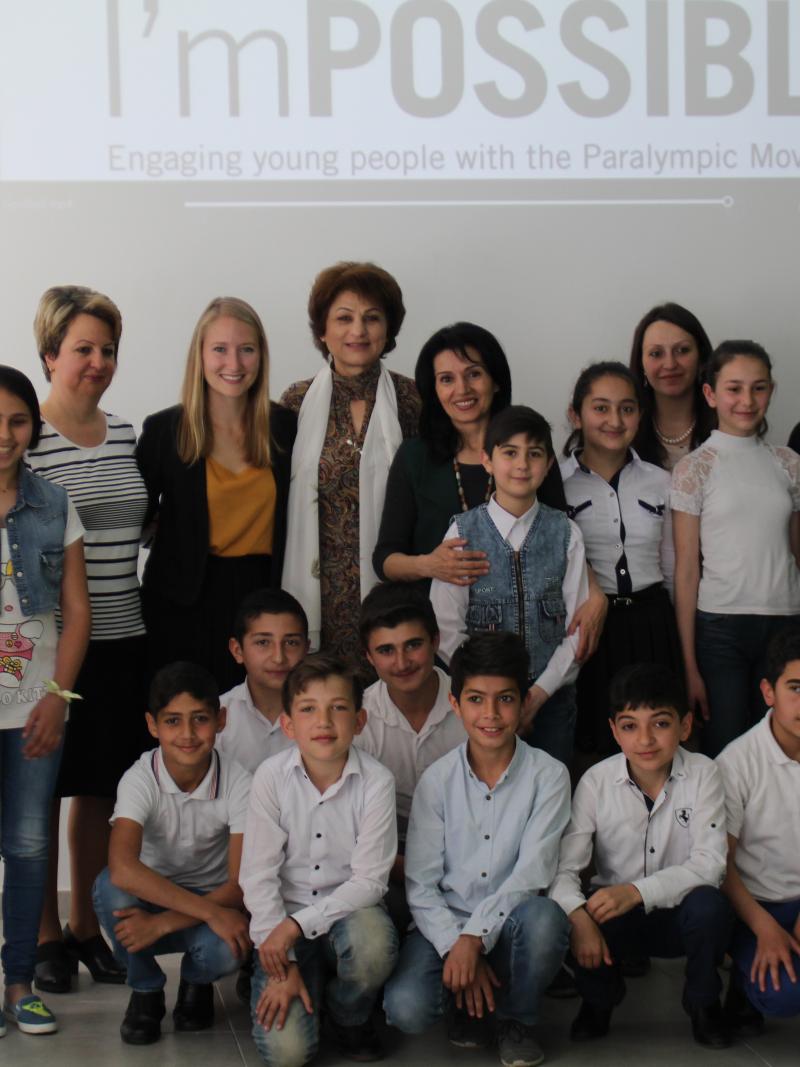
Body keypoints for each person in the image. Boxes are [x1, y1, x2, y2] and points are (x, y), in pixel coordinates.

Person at [28, 284, 150, 994]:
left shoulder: (127, 432)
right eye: (82, 349)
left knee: (100, 790)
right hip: (51, 647)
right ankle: (45, 932)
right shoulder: (24, 438)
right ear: (49, 353)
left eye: (107, 350)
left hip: (123, 634)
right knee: (41, 791)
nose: (98, 362)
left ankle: (84, 927)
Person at [384, 632, 571, 1067]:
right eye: (475, 700)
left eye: (505, 699)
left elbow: (532, 875)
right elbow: (421, 885)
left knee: (546, 921)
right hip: (444, 923)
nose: (490, 714)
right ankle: (468, 1000)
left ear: (524, 702)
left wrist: (476, 938)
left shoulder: (549, 776)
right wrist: (456, 944)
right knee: (405, 1009)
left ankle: (515, 1018)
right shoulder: (436, 781)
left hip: (514, 925)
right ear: (455, 705)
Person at [374, 321, 607, 661]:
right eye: (446, 379)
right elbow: (385, 560)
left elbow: (562, 532)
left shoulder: (531, 449)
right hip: (435, 642)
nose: (462, 389)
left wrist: (596, 593)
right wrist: (430, 565)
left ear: (496, 380)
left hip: (534, 641)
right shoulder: (414, 457)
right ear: (433, 389)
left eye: (474, 374)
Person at [550, 662, 733, 1049]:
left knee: (710, 907)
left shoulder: (705, 773)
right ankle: (599, 1000)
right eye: (630, 725)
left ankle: (703, 1003)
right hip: (617, 917)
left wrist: (636, 891)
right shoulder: (596, 781)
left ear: (684, 727)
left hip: (681, 914)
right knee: (567, 916)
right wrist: (579, 918)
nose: (645, 739)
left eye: (661, 723)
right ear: (614, 730)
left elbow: (711, 864)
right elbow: (566, 869)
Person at [241, 653, 398, 1066]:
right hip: (282, 927)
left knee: (374, 945)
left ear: (360, 721)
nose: (324, 722)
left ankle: (347, 1013)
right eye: (308, 709)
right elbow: (258, 877)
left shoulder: (377, 782)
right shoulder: (270, 778)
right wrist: (284, 962)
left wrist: (298, 925)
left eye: (338, 708)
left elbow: (370, 882)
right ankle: (288, 982)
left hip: (348, 918)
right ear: (288, 724)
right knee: (288, 1055)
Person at [137, 297, 296, 692]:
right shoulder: (164, 430)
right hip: (182, 601)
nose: (235, 364)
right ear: (200, 355)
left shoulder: (285, 428)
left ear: (261, 355)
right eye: (220, 350)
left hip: (263, 597)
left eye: (247, 349)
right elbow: (134, 517)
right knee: (187, 719)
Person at [92, 662, 252, 1045]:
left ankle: (196, 984)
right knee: (109, 891)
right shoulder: (139, 777)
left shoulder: (240, 781)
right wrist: (209, 914)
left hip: (211, 895)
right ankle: (145, 989)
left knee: (227, 949)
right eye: (173, 721)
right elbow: (124, 869)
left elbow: (240, 882)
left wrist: (163, 924)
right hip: (153, 896)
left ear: (221, 720)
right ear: (152, 725)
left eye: (199, 719)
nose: (187, 734)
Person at [0, 366, 90, 1036]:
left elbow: (77, 612)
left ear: (33, 426)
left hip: (35, 708)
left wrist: (58, 695)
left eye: (16, 420)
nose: (4, 435)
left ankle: (20, 984)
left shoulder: (55, 503)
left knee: (30, 848)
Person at [431, 405, 589, 766]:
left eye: (534, 454)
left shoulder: (566, 532)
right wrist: (490, 695)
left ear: (549, 464)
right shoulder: (462, 532)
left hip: (551, 701)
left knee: (549, 795)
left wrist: (535, 696)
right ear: (487, 460)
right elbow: (447, 627)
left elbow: (577, 632)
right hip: (482, 706)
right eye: (510, 452)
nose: (522, 464)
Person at [280, 262, 420, 663]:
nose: (358, 331)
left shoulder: (413, 400)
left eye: (371, 318)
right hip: (315, 598)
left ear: (388, 330)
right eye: (344, 318)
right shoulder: (295, 402)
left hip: (394, 596)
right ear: (322, 330)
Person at [672, 340, 800, 756]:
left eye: (758, 388)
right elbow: (687, 569)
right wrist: (689, 665)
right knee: (727, 746)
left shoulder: (788, 464)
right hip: (720, 628)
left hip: (785, 623)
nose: (747, 400)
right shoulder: (695, 468)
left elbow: (795, 551)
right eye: (734, 388)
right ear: (710, 394)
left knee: (781, 745)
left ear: (771, 390)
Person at [561, 361, 680, 755]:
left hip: (653, 622)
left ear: (640, 416)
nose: (615, 419)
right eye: (601, 408)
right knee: (597, 739)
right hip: (591, 627)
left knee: (655, 739)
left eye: (627, 408)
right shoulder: (554, 485)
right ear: (575, 415)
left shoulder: (663, 482)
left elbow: (675, 567)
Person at [355, 581, 466, 927]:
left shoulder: (472, 707)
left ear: (435, 641)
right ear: (368, 656)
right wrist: (413, 872)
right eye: (386, 650)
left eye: (413, 645)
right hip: (389, 862)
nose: (401, 662)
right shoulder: (358, 720)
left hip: (467, 855)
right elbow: (350, 831)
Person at [717, 627, 800, 1030]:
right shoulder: (737, 762)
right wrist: (764, 927)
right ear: (769, 692)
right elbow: (721, 865)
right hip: (757, 907)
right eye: (796, 688)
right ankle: (742, 981)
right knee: (784, 995)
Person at [216, 588, 310, 774]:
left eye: (291, 643)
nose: (278, 657)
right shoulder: (217, 716)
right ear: (237, 650)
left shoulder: (325, 714)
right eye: (263, 642)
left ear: (306, 649)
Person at [628, 302, 715, 471]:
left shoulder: (727, 425)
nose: (669, 364)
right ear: (641, 363)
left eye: (682, 350)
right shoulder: (625, 429)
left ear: (701, 357)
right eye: (656, 354)